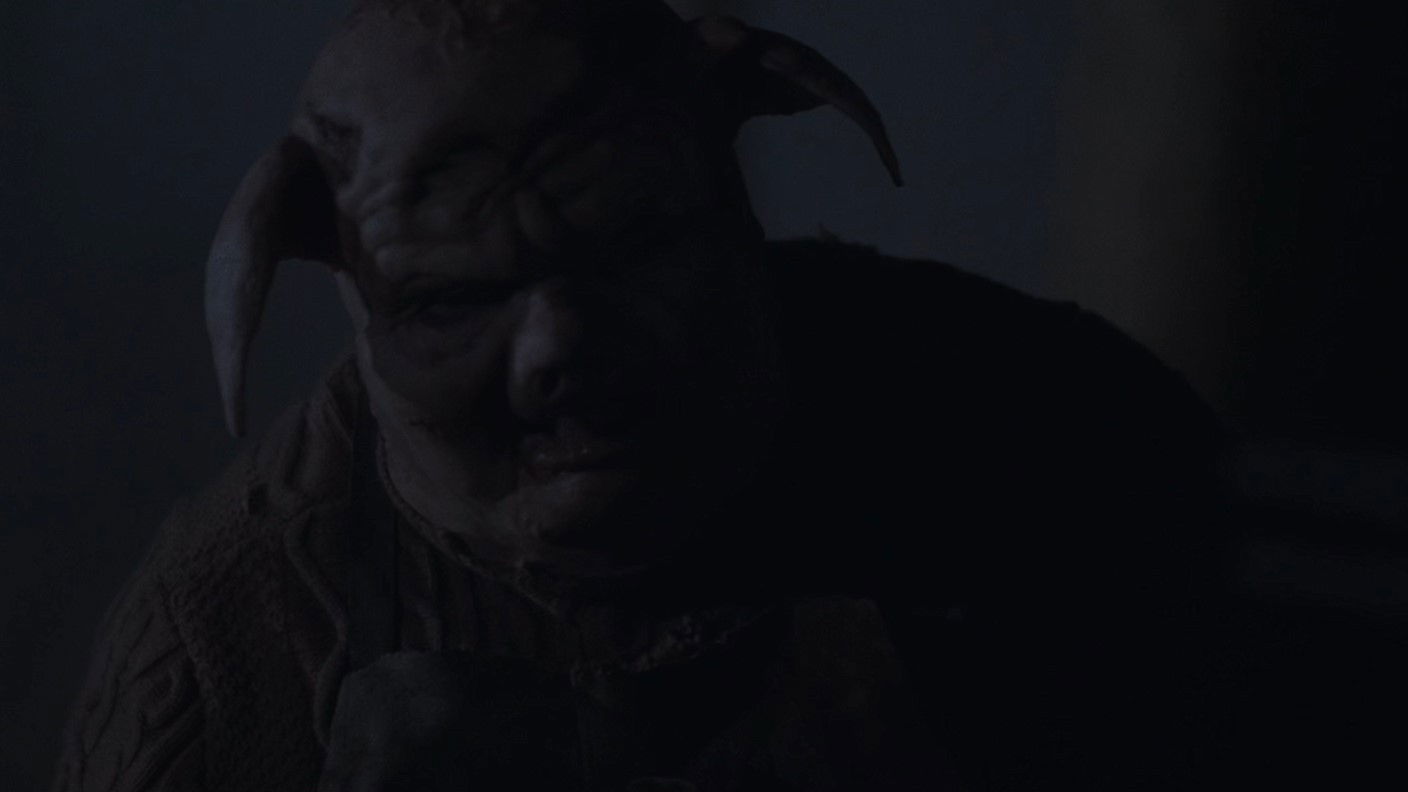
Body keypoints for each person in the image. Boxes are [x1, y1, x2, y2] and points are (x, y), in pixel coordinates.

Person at [54, 2, 1231, 789]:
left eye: (633, 245)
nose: (558, 346)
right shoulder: (230, 628)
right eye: (453, 300)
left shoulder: (1021, 407)